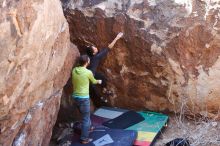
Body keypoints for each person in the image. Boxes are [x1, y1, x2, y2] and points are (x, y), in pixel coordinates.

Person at [86, 32, 123, 105]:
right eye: (95, 49)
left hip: (92, 73)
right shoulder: (97, 57)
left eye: (95, 47)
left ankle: (104, 89)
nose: (96, 48)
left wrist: (88, 46)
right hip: (89, 76)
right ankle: (100, 98)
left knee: (102, 77)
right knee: (93, 89)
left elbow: (88, 48)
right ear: (93, 53)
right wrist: (117, 38)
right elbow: (109, 47)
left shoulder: (88, 56)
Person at [72, 55, 102, 144]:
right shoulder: (88, 72)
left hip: (75, 97)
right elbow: (94, 81)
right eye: (88, 60)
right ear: (87, 62)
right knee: (85, 118)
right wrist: (99, 81)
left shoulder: (74, 70)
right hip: (84, 98)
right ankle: (84, 139)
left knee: (85, 115)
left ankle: (89, 127)